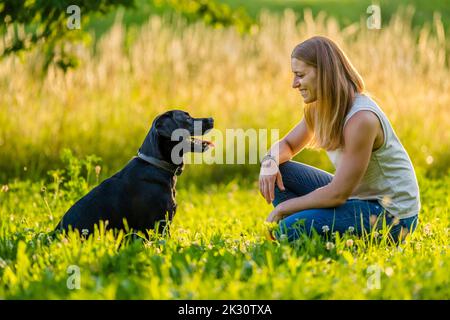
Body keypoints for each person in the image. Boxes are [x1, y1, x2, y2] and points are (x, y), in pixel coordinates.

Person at [259, 36, 420, 244]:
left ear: (324, 74)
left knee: (288, 230)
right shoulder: (321, 108)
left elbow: (337, 194)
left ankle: (302, 227)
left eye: (300, 75)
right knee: (282, 171)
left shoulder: (361, 118)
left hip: (391, 216)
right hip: (354, 197)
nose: (294, 84)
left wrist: (283, 208)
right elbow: (288, 145)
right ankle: (308, 226)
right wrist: (269, 162)